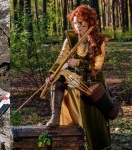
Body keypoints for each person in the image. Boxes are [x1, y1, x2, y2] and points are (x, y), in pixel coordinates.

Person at [44, 5, 119, 150]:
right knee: (58, 77)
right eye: (75, 23)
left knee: (92, 118)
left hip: (92, 80)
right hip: (75, 77)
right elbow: (61, 59)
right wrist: (52, 74)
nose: (78, 27)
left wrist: (79, 62)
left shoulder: (98, 40)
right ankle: (55, 116)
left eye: (81, 24)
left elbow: (97, 66)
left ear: (89, 23)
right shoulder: (71, 39)